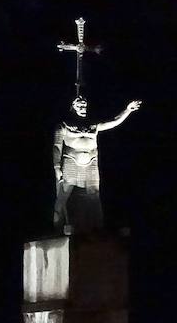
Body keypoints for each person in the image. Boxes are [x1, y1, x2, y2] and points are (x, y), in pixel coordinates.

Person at [52, 97, 142, 234]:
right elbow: (57, 147)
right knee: (65, 193)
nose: (83, 108)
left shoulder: (93, 124)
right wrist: (57, 167)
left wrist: (127, 110)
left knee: (94, 194)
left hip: (91, 162)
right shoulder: (64, 125)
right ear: (73, 106)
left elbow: (113, 121)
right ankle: (58, 224)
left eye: (85, 105)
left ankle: (97, 225)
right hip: (71, 161)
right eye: (80, 106)